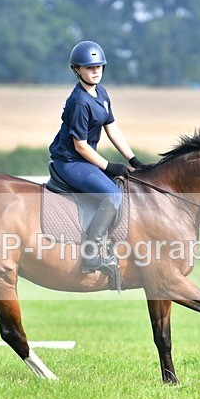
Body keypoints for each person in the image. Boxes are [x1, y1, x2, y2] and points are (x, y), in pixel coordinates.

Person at [48, 40, 144, 274]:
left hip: (85, 159)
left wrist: (134, 160)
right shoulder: (80, 101)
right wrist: (110, 166)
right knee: (112, 195)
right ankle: (91, 255)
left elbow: (111, 127)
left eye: (99, 66)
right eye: (89, 67)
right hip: (71, 162)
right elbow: (80, 146)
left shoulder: (101, 93)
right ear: (76, 70)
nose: (95, 71)